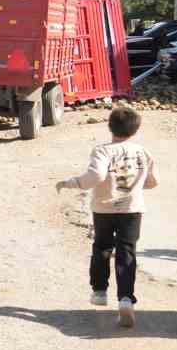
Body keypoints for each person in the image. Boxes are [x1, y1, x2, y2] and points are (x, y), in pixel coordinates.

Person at [55, 105, 159, 329]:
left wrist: (71, 183)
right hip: (132, 209)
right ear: (135, 130)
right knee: (127, 251)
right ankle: (125, 299)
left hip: (104, 209)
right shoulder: (143, 152)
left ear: (110, 126)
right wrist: (136, 186)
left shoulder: (102, 151)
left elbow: (96, 175)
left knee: (102, 246)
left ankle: (100, 291)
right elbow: (153, 181)